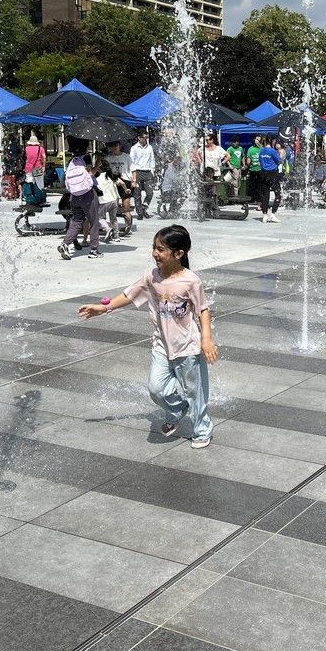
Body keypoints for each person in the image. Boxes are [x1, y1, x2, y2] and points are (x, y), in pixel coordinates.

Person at [78, 224, 218, 449]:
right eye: (154, 247)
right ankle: (177, 408)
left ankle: (202, 429)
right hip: (162, 344)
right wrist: (103, 308)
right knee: (156, 388)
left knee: (195, 392)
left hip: (187, 346)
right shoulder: (151, 276)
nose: (155, 253)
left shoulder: (191, 280)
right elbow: (128, 294)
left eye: (161, 249)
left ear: (179, 253)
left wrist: (206, 339)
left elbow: (203, 309)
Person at [58, 152, 102, 260]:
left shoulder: (72, 160)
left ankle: (65, 243)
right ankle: (94, 250)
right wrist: (97, 165)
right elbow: (91, 173)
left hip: (74, 196)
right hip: (88, 195)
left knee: (77, 221)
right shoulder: (86, 157)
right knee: (94, 221)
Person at [105, 141, 133, 237]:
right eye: (111, 146)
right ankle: (114, 228)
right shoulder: (108, 158)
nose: (114, 148)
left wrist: (134, 181)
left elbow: (133, 169)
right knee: (114, 207)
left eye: (115, 145)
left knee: (126, 206)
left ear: (119, 146)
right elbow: (104, 169)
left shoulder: (126, 156)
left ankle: (128, 226)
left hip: (125, 181)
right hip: (113, 182)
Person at [130, 130, 156, 219]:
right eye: (144, 138)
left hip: (147, 172)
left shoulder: (150, 148)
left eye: (147, 138)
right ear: (139, 138)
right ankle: (140, 212)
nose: (146, 139)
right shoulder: (134, 148)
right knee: (137, 194)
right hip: (138, 172)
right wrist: (132, 175)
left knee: (150, 192)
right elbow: (131, 161)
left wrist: (152, 171)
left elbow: (152, 160)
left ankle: (144, 208)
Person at [94, 158, 121, 242]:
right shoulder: (111, 176)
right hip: (114, 200)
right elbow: (121, 183)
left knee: (99, 217)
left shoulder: (97, 179)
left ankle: (107, 229)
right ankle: (116, 236)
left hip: (104, 201)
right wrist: (126, 189)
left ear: (98, 168)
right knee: (113, 218)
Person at [246, 134, 264, 208]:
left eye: (258, 140)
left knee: (254, 187)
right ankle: (258, 203)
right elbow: (248, 162)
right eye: (256, 139)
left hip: (258, 170)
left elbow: (248, 162)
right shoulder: (259, 149)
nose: (257, 141)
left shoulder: (259, 149)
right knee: (257, 187)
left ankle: (256, 202)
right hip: (255, 170)